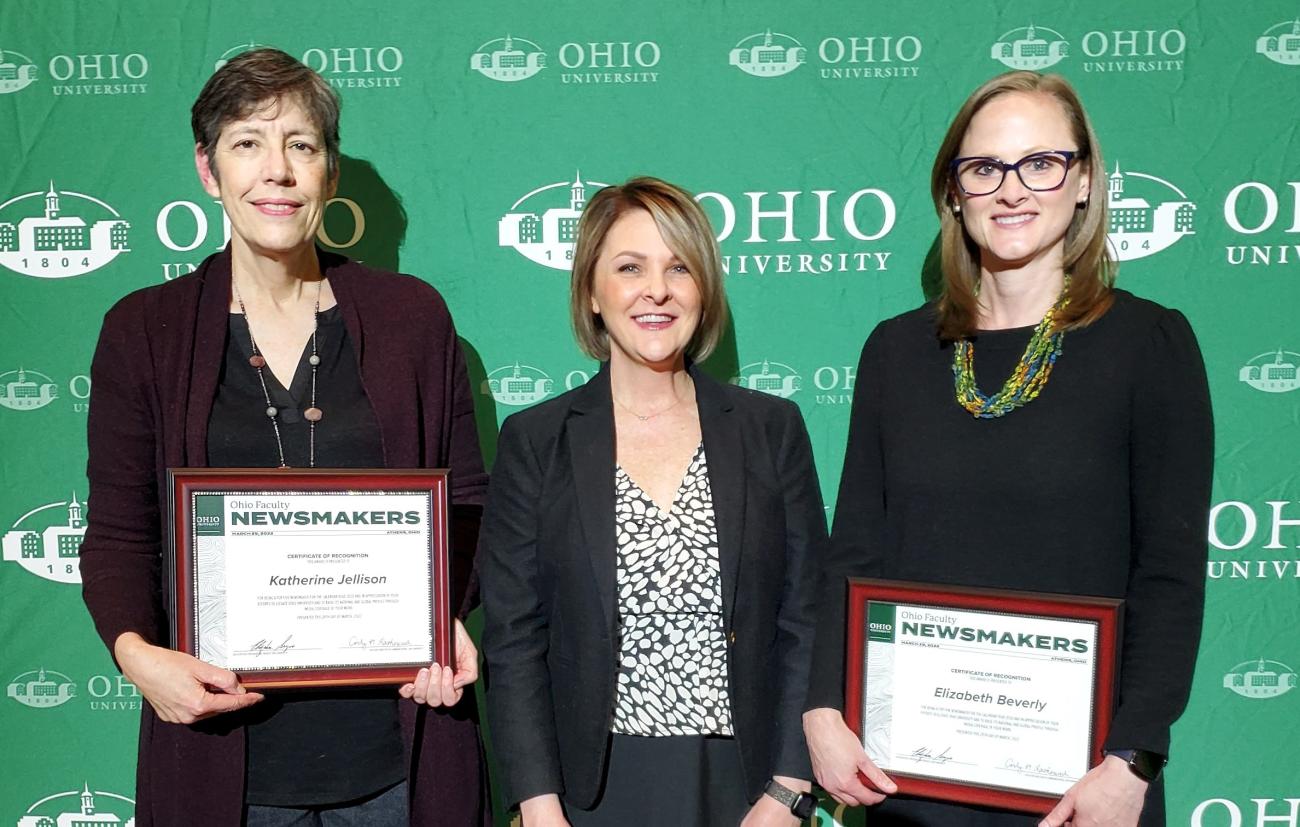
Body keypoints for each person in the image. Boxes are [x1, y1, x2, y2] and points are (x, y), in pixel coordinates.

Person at [79, 48, 489, 827]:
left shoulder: (411, 319)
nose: (278, 169)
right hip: (225, 763)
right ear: (208, 169)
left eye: (301, 144)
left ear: (330, 172)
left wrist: (450, 624)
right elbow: (118, 534)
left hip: (397, 758)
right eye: (247, 143)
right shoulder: (144, 331)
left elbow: (466, 503)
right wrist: (138, 657)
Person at [802, 70, 1213, 827]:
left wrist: (1134, 762)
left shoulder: (1147, 344)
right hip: (914, 783)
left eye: (1041, 163)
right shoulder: (897, 352)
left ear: (1084, 180)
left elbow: (1170, 575)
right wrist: (824, 707)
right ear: (954, 191)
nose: (1012, 189)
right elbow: (854, 546)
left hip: (1084, 791)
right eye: (984, 167)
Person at [479, 177, 826, 826]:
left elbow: (805, 617)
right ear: (591, 289)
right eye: (630, 267)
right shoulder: (535, 440)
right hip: (589, 793)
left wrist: (788, 789)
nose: (656, 290)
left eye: (679, 267)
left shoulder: (770, 429)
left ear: (704, 288)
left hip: (745, 789)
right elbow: (515, 638)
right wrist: (539, 803)